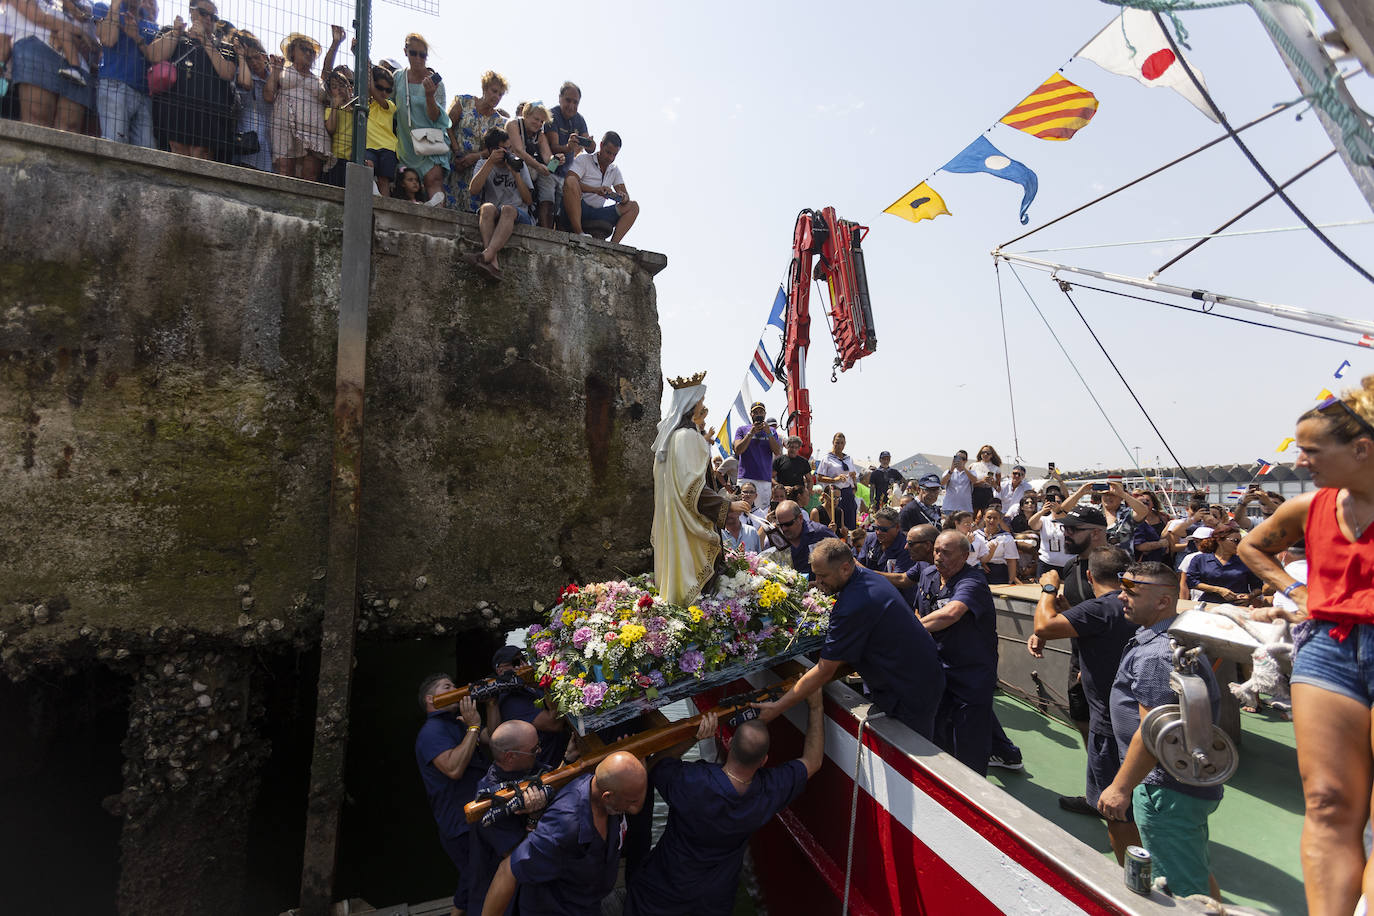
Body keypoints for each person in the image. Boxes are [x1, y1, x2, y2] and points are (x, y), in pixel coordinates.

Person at [1237, 379, 1374, 916]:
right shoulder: (1309, 508)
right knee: (1327, 802)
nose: (1301, 460)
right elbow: (1252, 545)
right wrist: (1296, 590)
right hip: (1327, 649)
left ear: (1361, 449)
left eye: (1313, 451)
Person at [624, 692, 825, 916]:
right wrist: (816, 707)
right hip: (713, 900)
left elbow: (655, 766)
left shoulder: (694, 782)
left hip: (664, 889)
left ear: (730, 745)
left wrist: (694, 737)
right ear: (764, 761)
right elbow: (813, 761)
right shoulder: (768, 792)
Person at [1099, 562, 1223, 901]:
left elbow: (1155, 732)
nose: (1121, 596)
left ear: (1163, 602)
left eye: (1132, 592)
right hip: (1176, 788)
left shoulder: (1157, 654)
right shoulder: (1167, 642)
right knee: (1190, 868)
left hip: (1164, 791)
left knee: (1184, 894)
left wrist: (1120, 788)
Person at [753, 538, 945, 738]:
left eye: (823, 576)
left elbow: (824, 671)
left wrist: (778, 707)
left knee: (911, 750)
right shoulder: (863, 576)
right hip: (917, 674)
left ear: (845, 568)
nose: (818, 583)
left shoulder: (853, 603)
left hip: (910, 688)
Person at [1029, 546, 1141, 861]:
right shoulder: (1130, 604)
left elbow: (1044, 625)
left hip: (1109, 725)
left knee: (1119, 812)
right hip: (1138, 718)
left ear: (1090, 576)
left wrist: (1049, 588)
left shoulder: (1099, 609)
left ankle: (1131, 875)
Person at [480, 752, 647, 916]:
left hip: (588, 903)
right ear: (607, 796)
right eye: (631, 801)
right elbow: (508, 871)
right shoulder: (564, 826)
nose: (634, 807)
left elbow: (636, 806)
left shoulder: (610, 796)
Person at [916, 531, 999, 774]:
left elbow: (951, 613)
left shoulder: (973, 582)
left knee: (970, 738)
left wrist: (908, 631)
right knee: (938, 729)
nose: (938, 557)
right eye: (936, 551)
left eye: (946, 553)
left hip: (970, 673)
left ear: (964, 556)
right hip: (938, 667)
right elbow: (920, 612)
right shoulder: (928, 574)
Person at [651, 373, 731, 606]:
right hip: (688, 523)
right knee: (698, 593)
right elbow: (692, 489)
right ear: (691, 403)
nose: (703, 406)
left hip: (676, 521)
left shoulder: (672, 437)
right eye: (701, 401)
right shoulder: (685, 437)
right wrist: (728, 506)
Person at [417, 674, 492, 916]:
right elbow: (453, 768)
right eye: (447, 687)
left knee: (484, 875)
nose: (456, 689)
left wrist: (492, 703)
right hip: (460, 821)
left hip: (480, 811)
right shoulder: (431, 732)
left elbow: (494, 739)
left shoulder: (456, 723)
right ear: (431, 698)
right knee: (475, 879)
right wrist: (472, 727)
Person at [466, 720, 552, 916]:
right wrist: (534, 817)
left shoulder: (526, 766)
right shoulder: (487, 802)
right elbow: (518, 859)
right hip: (506, 898)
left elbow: (550, 776)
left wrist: (568, 759)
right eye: (534, 749)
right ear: (511, 756)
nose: (539, 751)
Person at [149, 0, 240, 159]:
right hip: (175, 107)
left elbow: (227, 73)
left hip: (209, 112)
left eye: (213, 17)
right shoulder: (171, 32)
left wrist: (205, 41)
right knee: (177, 150)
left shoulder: (225, 47)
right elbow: (154, 56)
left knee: (200, 154)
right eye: (204, 13)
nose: (208, 19)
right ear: (192, 12)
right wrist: (176, 33)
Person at [8, 0, 95, 133]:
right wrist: (76, 31)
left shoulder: (86, 4)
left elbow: (93, 43)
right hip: (36, 48)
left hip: (79, 65)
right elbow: (36, 16)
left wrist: (74, 37)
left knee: (70, 130)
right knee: (37, 119)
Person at [466, 126, 532, 281]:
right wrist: (490, 163)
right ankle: (493, 263)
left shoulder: (519, 164)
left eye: (509, 149)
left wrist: (516, 174)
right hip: (494, 210)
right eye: (503, 150)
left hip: (518, 213)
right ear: (491, 150)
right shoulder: (483, 163)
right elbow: (473, 190)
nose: (507, 153)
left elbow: (528, 200)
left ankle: (486, 255)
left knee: (508, 209)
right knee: (486, 208)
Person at [267, 28, 334, 179]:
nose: (309, 54)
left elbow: (327, 70)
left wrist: (335, 43)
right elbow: (269, 95)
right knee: (285, 170)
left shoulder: (318, 80)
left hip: (313, 128)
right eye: (304, 49)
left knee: (310, 173)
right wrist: (275, 71)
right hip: (285, 125)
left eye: (312, 52)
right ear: (292, 52)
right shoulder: (283, 71)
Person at [92, 0, 158, 147]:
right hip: (114, 85)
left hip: (143, 93)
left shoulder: (150, 24)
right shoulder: (104, 8)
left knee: (147, 150)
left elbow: (154, 56)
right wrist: (115, 6)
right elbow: (108, 40)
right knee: (114, 144)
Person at [489, 646, 568, 770]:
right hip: (552, 762)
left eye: (523, 659)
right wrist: (546, 685)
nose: (523, 664)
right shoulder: (511, 702)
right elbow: (554, 723)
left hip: (563, 746)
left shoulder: (526, 685)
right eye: (516, 663)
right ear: (500, 670)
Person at [394, 33, 448, 206]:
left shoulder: (436, 83)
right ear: (405, 52)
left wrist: (429, 95)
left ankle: (439, 224)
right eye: (413, 53)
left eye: (422, 55)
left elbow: (435, 117)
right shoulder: (398, 77)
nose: (418, 58)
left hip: (430, 139)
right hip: (406, 143)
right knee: (407, 187)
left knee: (433, 180)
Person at [449, 70, 510, 210]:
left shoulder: (499, 122)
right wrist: (457, 152)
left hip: (477, 170)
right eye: (494, 91)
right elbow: (447, 126)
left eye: (500, 94)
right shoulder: (464, 102)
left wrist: (475, 157)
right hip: (453, 162)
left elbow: (497, 148)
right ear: (484, 88)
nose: (496, 96)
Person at [565, 130, 639, 244]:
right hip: (580, 207)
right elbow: (569, 181)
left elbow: (626, 196)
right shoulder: (584, 160)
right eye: (608, 152)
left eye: (614, 155)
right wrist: (595, 190)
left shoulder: (614, 170)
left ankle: (613, 245)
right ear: (601, 146)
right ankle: (579, 232)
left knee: (633, 206)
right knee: (571, 181)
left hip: (598, 213)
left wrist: (622, 197)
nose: (610, 158)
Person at [506, 100, 556, 227]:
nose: (539, 124)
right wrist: (538, 166)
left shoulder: (540, 136)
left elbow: (547, 157)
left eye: (542, 121)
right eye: (536, 119)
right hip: (510, 170)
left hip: (529, 176)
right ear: (526, 115)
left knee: (548, 181)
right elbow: (518, 150)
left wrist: (555, 160)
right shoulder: (513, 124)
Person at [548, 79, 592, 221]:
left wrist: (591, 143)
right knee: (547, 205)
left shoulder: (580, 120)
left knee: (562, 213)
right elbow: (553, 147)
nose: (571, 106)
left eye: (576, 102)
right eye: (568, 100)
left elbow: (590, 148)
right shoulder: (552, 115)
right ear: (560, 98)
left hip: (566, 174)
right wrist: (568, 147)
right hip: (548, 169)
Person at [1186, 523, 1260, 605]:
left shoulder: (1245, 561)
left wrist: (1250, 596)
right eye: (1235, 541)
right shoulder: (1200, 559)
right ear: (1219, 540)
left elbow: (1258, 586)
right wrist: (1218, 590)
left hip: (1237, 607)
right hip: (1209, 605)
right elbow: (1191, 581)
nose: (1239, 545)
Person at [231, 30, 273, 171]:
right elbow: (246, 83)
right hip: (247, 133)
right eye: (249, 59)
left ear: (264, 56)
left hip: (269, 135)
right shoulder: (242, 71)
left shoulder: (273, 76)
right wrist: (242, 58)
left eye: (256, 57)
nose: (253, 62)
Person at [732, 401, 782, 510]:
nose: (759, 414)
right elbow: (738, 450)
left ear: (765, 414)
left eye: (761, 412)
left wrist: (768, 433)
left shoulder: (772, 431)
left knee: (762, 512)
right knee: (741, 510)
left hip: (764, 479)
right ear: (751, 414)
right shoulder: (742, 429)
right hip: (745, 477)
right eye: (756, 412)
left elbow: (777, 451)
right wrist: (751, 433)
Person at [769, 499, 832, 577]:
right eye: (780, 525)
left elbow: (841, 557)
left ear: (800, 518)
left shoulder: (820, 533)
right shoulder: (778, 538)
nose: (784, 528)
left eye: (788, 524)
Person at [363, 64, 399, 195]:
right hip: (368, 146)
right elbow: (368, 88)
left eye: (388, 90)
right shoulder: (363, 103)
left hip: (387, 148)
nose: (384, 93)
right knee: (367, 171)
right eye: (380, 88)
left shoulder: (389, 106)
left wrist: (367, 64)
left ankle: (385, 210)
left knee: (384, 181)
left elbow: (371, 89)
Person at [815, 432, 860, 530]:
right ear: (833, 442)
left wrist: (853, 481)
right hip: (834, 493)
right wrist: (835, 479)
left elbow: (853, 475)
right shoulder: (827, 458)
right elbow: (819, 477)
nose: (839, 446)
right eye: (837, 443)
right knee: (836, 518)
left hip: (847, 492)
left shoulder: (848, 459)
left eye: (842, 443)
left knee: (850, 517)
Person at [973, 506, 1020, 585]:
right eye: (989, 517)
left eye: (995, 518)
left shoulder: (1006, 537)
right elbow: (971, 555)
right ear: (984, 518)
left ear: (999, 520)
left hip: (998, 571)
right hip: (978, 568)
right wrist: (981, 563)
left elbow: (1011, 561)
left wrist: (1011, 580)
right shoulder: (976, 535)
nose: (992, 520)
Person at [858, 507, 907, 572]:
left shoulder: (905, 547)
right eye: (876, 528)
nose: (879, 532)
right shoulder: (871, 539)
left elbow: (899, 578)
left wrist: (869, 573)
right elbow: (859, 565)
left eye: (884, 529)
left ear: (897, 527)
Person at [941, 450, 977, 515]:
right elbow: (942, 483)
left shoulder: (971, 472)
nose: (960, 460)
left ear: (966, 461)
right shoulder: (948, 471)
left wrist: (963, 468)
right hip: (949, 507)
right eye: (958, 458)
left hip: (966, 508)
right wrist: (951, 469)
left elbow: (974, 480)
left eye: (963, 459)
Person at [968, 444, 1003, 512]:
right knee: (972, 515)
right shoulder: (973, 466)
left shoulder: (996, 468)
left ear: (992, 455)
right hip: (975, 493)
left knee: (986, 516)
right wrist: (982, 481)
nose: (985, 454)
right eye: (983, 452)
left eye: (988, 453)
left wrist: (993, 484)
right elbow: (968, 484)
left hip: (988, 493)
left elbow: (999, 489)